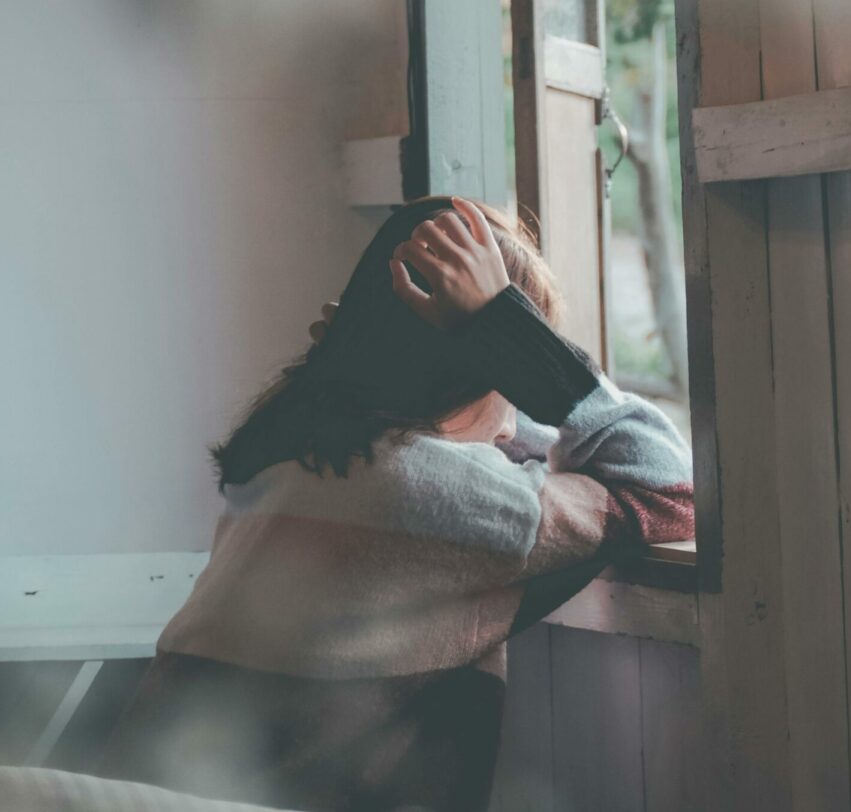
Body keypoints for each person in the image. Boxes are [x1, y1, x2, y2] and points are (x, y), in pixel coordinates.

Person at [96, 196, 694, 812]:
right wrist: (516, 338)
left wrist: (357, 353)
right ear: (487, 371)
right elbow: (668, 487)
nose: (515, 416)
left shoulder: (291, 452)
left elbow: (493, 437)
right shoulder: (444, 495)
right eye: (511, 380)